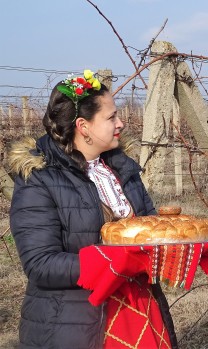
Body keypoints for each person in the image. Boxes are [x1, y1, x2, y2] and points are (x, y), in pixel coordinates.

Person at [8, 70, 177, 348]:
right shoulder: (40, 178)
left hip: (140, 309)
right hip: (76, 321)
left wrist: (175, 244)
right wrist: (113, 262)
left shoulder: (122, 169)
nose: (120, 123)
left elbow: (149, 227)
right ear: (83, 126)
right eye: (111, 117)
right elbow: (40, 264)